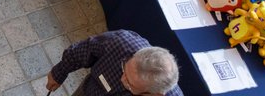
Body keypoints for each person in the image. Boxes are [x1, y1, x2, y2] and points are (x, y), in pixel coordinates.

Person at [47, 31, 182, 96]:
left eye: (130, 84)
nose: (122, 79)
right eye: (124, 68)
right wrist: (60, 72)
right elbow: (85, 49)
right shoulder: (120, 43)